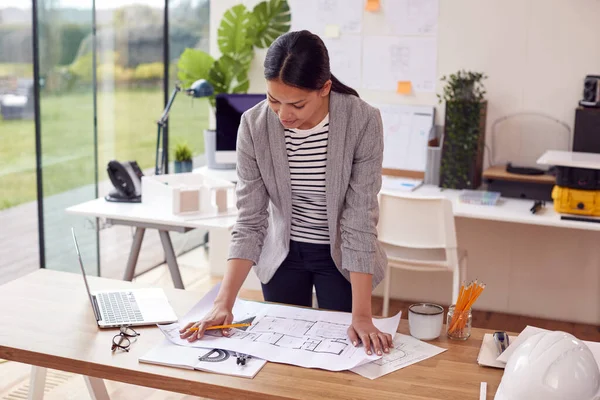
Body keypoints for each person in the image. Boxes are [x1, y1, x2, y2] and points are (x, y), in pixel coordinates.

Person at [180, 30, 392, 356]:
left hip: (342, 258)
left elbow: (360, 219)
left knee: (344, 352)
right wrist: (224, 302)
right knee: (284, 355)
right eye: (273, 99)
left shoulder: (362, 120)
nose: (283, 114)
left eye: (296, 103)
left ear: (324, 88)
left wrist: (363, 316)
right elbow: (250, 219)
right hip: (282, 255)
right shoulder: (254, 125)